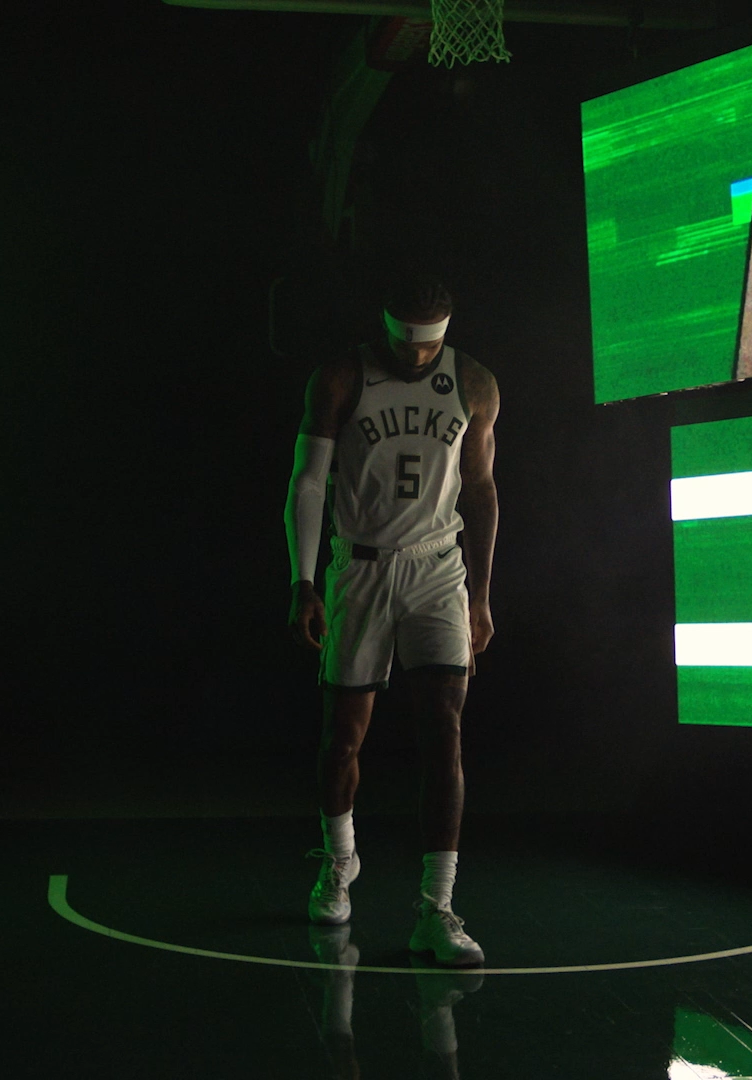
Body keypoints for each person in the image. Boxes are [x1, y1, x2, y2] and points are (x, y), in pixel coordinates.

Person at [284, 271, 499, 966]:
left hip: (437, 566)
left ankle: (437, 908)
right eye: (405, 343)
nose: (416, 355)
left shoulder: (474, 382)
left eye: (428, 344)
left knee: (445, 732)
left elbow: (482, 488)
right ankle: (339, 862)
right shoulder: (342, 377)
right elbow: (308, 482)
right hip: (361, 566)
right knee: (342, 738)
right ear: (385, 326)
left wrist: (481, 594)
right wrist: (303, 581)